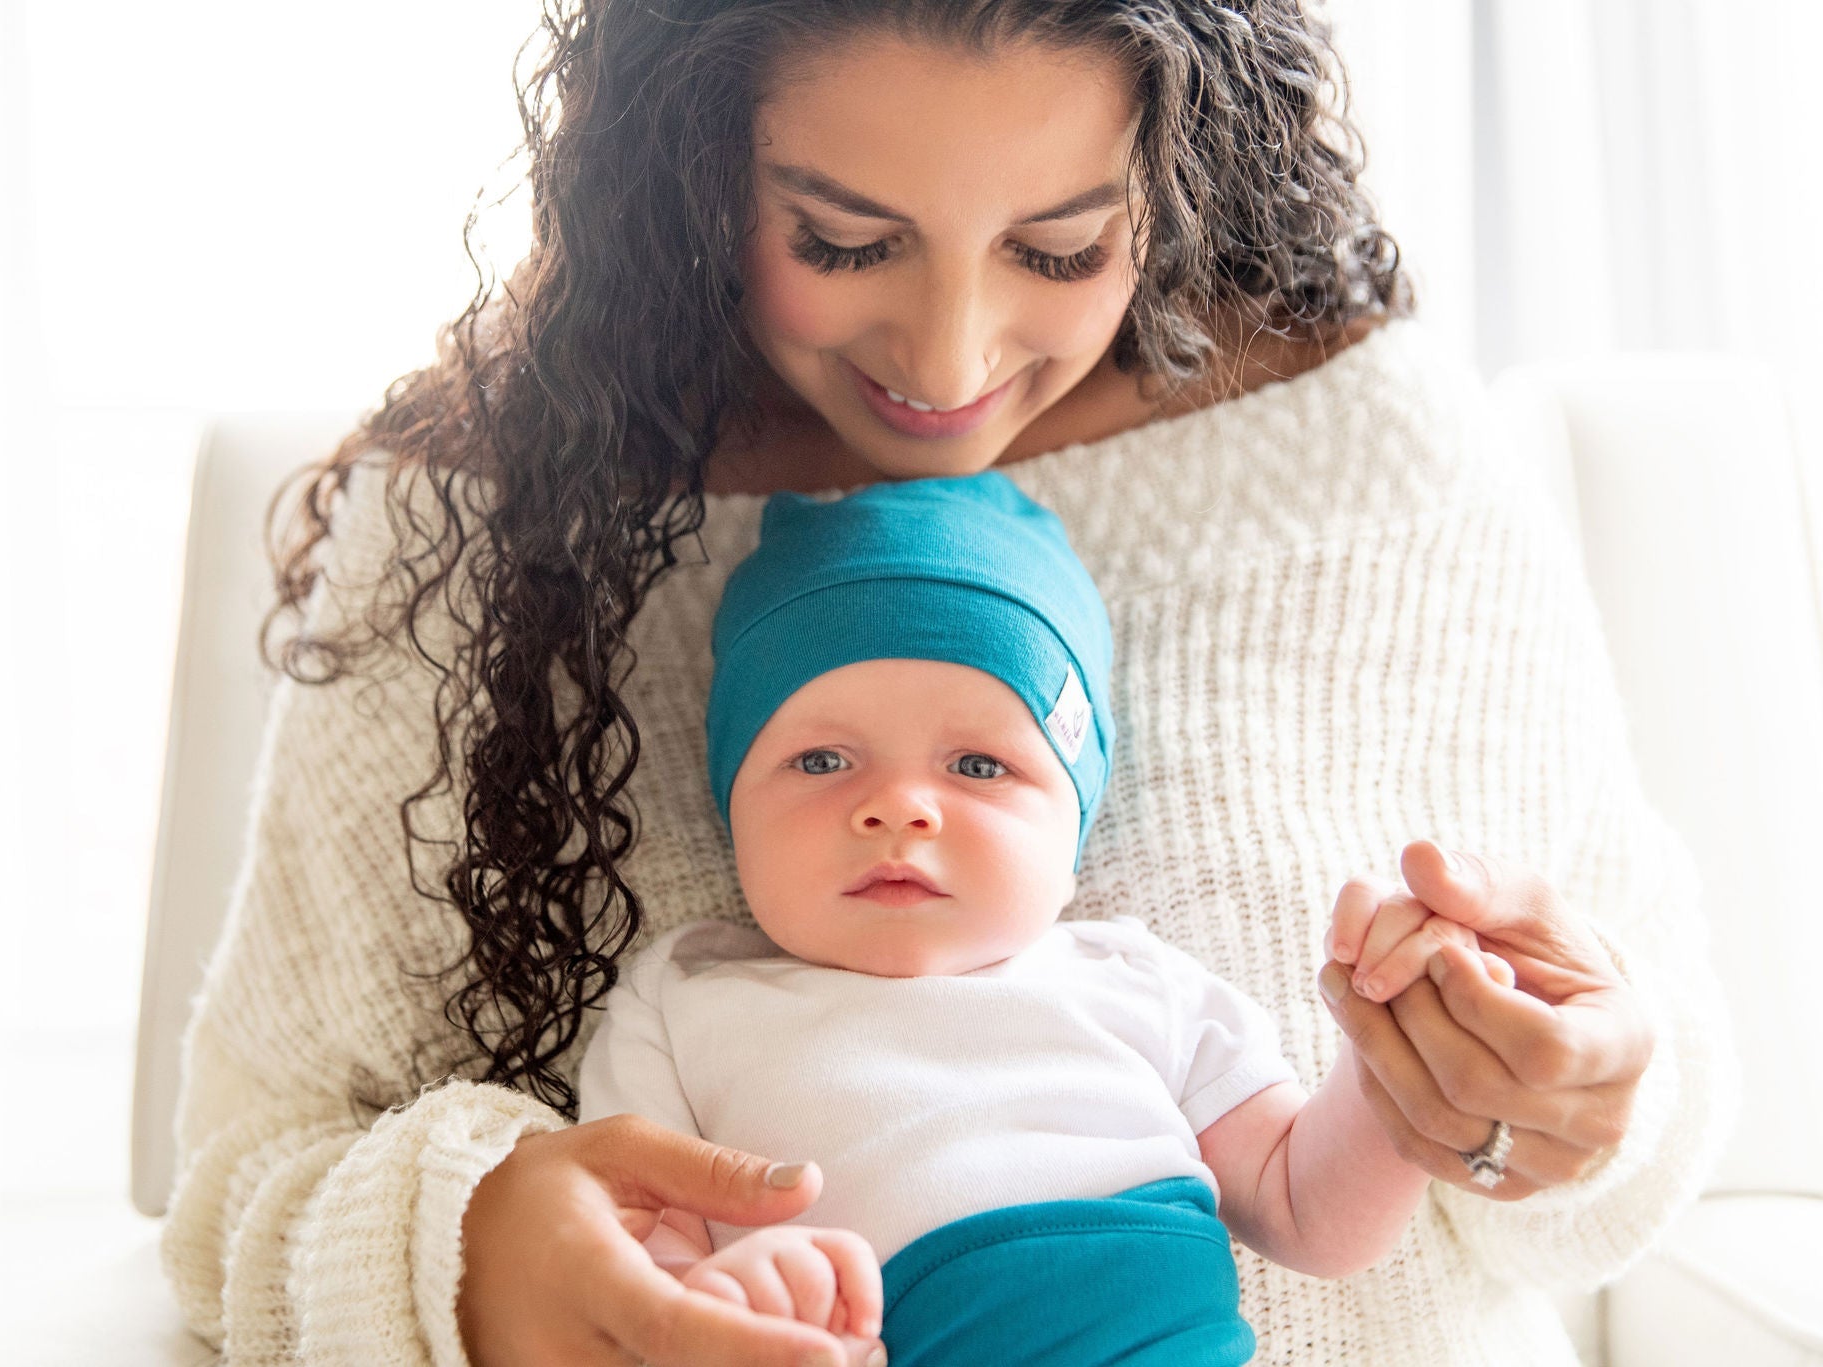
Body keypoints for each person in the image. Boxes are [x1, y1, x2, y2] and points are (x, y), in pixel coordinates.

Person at [158, 3, 1738, 1366]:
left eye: (1060, 247)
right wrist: (473, 1258)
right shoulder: (477, 523)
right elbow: (242, 1181)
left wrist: (1566, 1101)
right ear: (690, 165)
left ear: (1173, 170)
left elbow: (1654, 1098)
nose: (952, 354)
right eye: (845, 240)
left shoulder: (1370, 454)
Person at [575, 471, 1519, 1366]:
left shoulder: (1136, 977)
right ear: (728, 808)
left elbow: (1314, 1213)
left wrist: (1394, 1054)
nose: (900, 807)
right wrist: (724, 1303)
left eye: (979, 767)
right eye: (822, 760)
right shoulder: (681, 1003)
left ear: (1074, 837)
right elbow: (631, 1276)